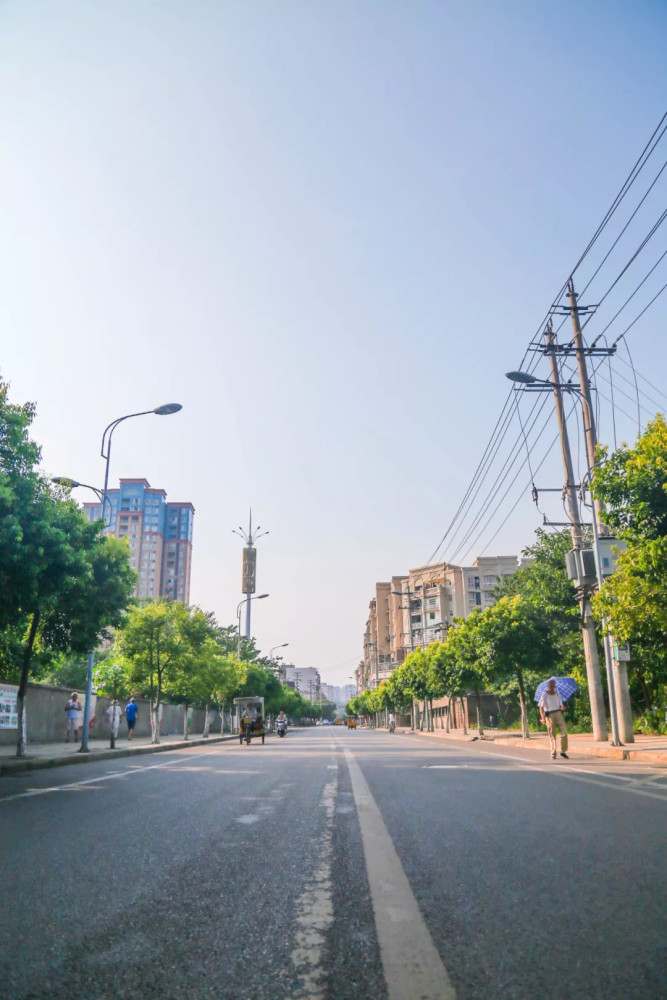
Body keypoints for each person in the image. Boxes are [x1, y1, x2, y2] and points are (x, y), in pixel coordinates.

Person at [538, 679, 569, 759]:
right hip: (549, 715)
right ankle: (553, 753)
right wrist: (543, 718)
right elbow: (541, 707)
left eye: (553, 685)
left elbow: (561, 705)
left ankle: (563, 751)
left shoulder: (557, 694)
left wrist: (562, 707)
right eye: (550, 685)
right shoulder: (544, 695)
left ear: (555, 686)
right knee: (552, 735)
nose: (552, 686)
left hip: (558, 714)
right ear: (548, 686)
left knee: (564, 733)